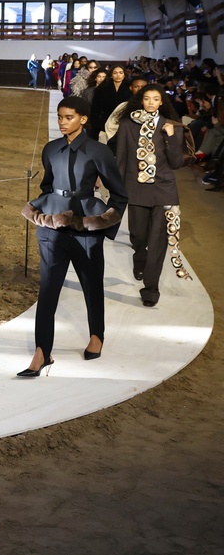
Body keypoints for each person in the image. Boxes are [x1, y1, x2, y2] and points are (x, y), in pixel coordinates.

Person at [19, 96, 127, 376]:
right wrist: (45, 211)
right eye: (60, 117)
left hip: (86, 227)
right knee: (48, 290)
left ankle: (97, 335)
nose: (63, 122)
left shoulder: (99, 151)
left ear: (83, 119)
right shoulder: (50, 149)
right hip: (51, 226)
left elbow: (119, 193)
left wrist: (105, 223)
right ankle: (42, 352)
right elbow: (47, 186)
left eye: (69, 117)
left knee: (92, 284)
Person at [114, 84, 189, 307]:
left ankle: (151, 289)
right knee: (138, 234)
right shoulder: (127, 124)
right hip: (136, 188)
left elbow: (176, 163)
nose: (150, 103)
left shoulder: (171, 126)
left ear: (161, 102)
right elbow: (121, 159)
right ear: (141, 101)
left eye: (155, 99)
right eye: (147, 99)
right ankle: (140, 257)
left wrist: (170, 136)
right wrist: (117, 190)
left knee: (158, 240)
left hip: (164, 189)